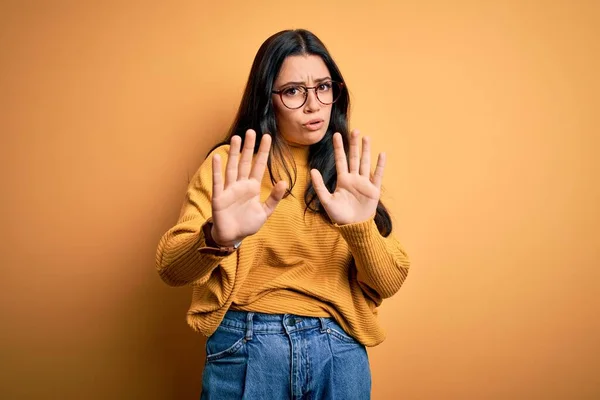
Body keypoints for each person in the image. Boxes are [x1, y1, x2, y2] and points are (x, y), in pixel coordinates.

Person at [156, 29, 410, 400]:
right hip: (247, 346)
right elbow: (169, 269)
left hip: (338, 350)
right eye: (293, 91)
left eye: (324, 86)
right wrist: (216, 238)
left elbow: (388, 282)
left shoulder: (348, 173)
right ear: (267, 99)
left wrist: (359, 229)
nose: (314, 105)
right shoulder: (232, 166)